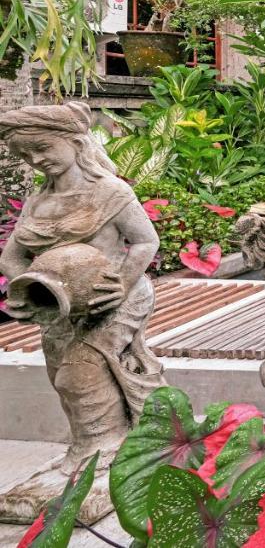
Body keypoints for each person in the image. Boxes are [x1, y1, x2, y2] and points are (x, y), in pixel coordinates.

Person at [0, 102, 165, 473]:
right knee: (60, 376)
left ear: (75, 142)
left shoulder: (110, 192)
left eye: (43, 148)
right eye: (25, 154)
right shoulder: (39, 201)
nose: (36, 160)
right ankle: (93, 443)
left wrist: (121, 283)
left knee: (79, 373)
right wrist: (22, 290)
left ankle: (104, 449)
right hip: (59, 305)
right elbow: (12, 259)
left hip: (114, 299)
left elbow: (145, 241)